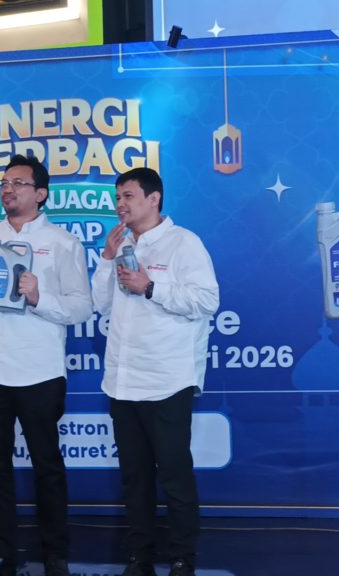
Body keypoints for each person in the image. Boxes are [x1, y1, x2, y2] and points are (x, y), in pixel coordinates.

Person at [0, 154, 92, 576]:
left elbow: (82, 307)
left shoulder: (62, 242)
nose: (8, 189)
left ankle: (55, 553)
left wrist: (38, 297)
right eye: (4, 183)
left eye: (18, 183)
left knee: (47, 467)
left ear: (41, 194)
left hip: (39, 372)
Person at [91, 168, 219, 576]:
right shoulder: (122, 244)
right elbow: (99, 304)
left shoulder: (184, 243)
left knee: (175, 477)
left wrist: (151, 288)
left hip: (167, 380)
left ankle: (182, 558)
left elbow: (207, 300)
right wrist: (106, 258)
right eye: (117, 197)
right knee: (135, 478)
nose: (120, 204)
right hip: (123, 382)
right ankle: (139, 556)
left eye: (128, 196)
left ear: (154, 199)